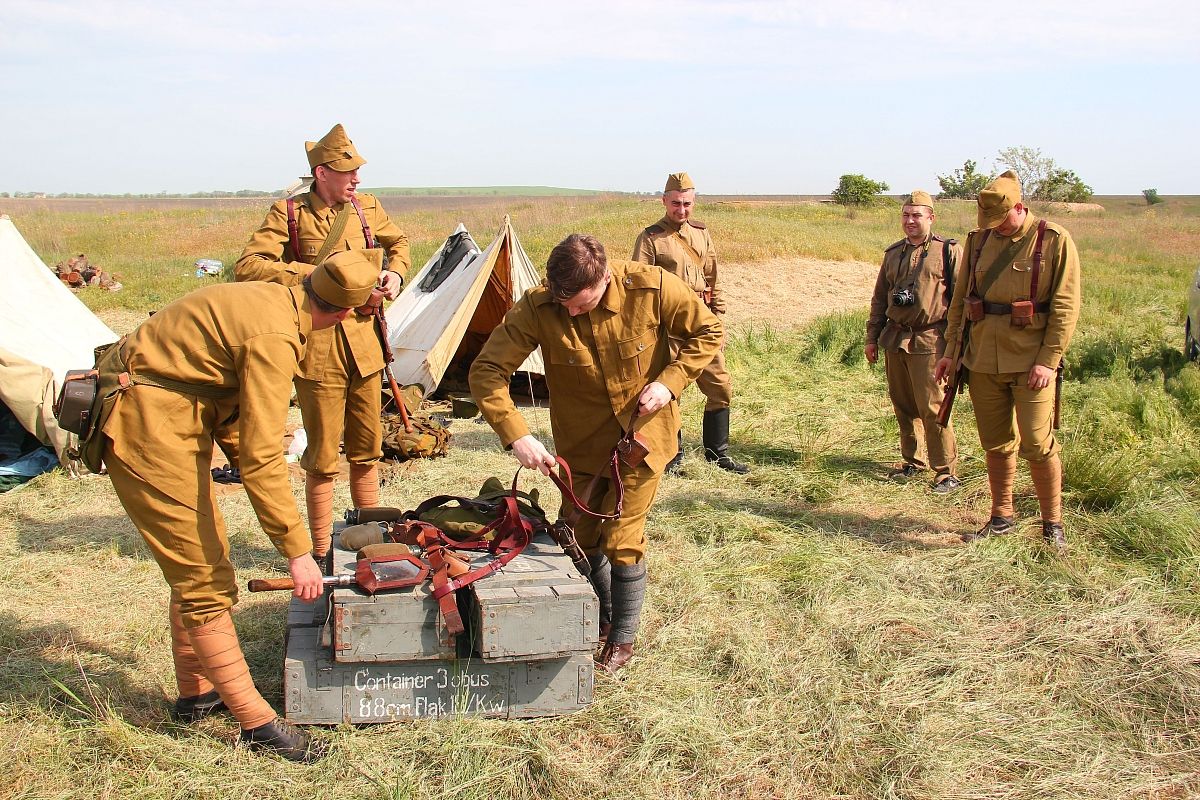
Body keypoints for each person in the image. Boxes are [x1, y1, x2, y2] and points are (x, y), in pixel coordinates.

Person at [98, 249, 383, 761]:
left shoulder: (276, 301)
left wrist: (237, 453)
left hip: (174, 409)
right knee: (202, 574)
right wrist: (298, 551)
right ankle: (256, 726)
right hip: (147, 418)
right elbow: (261, 456)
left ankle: (197, 695)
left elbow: (224, 396)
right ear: (344, 313)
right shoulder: (277, 338)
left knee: (203, 558)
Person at [469, 234, 722, 674]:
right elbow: (487, 370)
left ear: (605, 278)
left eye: (581, 306)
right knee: (582, 538)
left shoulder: (653, 288)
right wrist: (517, 435)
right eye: (563, 304)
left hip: (642, 441)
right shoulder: (539, 305)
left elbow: (708, 329)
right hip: (580, 448)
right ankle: (601, 620)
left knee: (621, 539)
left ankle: (623, 639)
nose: (569, 313)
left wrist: (670, 382)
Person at [236, 123, 410, 565]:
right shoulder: (289, 214)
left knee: (368, 448)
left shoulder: (367, 208)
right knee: (322, 456)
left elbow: (399, 243)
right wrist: (313, 278)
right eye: (346, 171)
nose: (356, 180)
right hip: (318, 348)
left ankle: (368, 541)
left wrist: (396, 273)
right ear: (321, 173)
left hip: (366, 345)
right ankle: (319, 551)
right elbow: (249, 266)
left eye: (357, 172)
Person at [934, 170, 1081, 550]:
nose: (994, 228)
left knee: (1036, 442)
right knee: (995, 442)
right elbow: (960, 304)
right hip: (981, 359)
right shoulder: (978, 242)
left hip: (1031, 361)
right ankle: (1001, 515)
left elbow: (1065, 306)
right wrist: (951, 353)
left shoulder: (1053, 240)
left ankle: (1053, 523)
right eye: (989, 222)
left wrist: (1049, 360)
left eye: (1001, 220)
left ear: (1020, 207)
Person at [631, 172, 749, 474]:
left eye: (686, 204)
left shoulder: (701, 233)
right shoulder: (650, 238)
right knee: (670, 392)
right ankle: (672, 456)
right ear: (664, 201)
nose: (681, 210)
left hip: (702, 321)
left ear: (693, 202)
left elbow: (713, 278)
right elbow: (638, 288)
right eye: (675, 204)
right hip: (668, 323)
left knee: (720, 385)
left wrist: (718, 320)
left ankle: (717, 453)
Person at [865, 190, 962, 493]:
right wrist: (872, 337)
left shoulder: (948, 251)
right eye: (906, 215)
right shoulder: (893, 253)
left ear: (931, 217)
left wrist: (958, 345)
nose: (910, 220)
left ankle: (946, 471)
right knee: (903, 403)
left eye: (916, 215)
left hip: (932, 339)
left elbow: (961, 300)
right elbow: (879, 299)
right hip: (896, 337)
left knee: (933, 406)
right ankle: (912, 461)